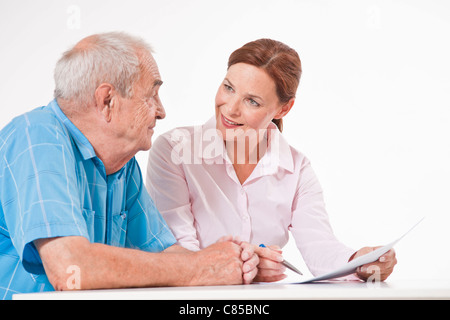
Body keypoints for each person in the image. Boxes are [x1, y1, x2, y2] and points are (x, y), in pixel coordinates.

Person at [0, 32, 259, 300]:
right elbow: (69, 269)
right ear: (107, 101)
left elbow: (164, 255)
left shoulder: (122, 165)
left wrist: (235, 262)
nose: (161, 111)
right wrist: (200, 268)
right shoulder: (37, 135)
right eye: (152, 95)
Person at [146, 39, 397, 283]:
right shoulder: (174, 150)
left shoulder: (296, 169)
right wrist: (247, 265)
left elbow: (319, 246)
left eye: (252, 101)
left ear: (283, 109)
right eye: (228, 87)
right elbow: (177, 254)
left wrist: (360, 262)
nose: (230, 108)